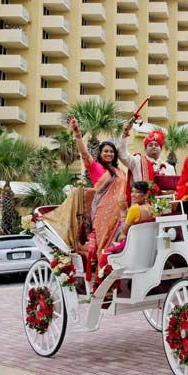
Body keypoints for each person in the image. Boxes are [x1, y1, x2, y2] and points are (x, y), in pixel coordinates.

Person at [68, 117, 127, 279]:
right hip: (102, 214)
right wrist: (76, 133)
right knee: (104, 245)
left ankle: (119, 275)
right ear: (100, 154)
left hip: (121, 213)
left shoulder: (120, 172)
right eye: (105, 151)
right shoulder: (96, 167)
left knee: (123, 241)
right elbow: (84, 153)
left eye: (111, 151)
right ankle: (102, 278)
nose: (108, 153)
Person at [96, 181, 154, 282]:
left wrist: (123, 211)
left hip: (133, 248)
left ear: (146, 194)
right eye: (132, 192)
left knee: (105, 254)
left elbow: (124, 231)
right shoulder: (152, 208)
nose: (133, 195)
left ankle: (102, 283)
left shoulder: (134, 209)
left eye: (137, 192)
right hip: (148, 249)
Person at [119, 123, 175, 203]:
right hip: (141, 207)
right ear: (145, 149)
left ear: (161, 148)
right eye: (150, 145)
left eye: (156, 145)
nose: (154, 146)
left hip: (164, 206)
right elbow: (122, 154)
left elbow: (173, 190)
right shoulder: (137, 161)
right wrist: (124, 135)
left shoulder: (169, 168)